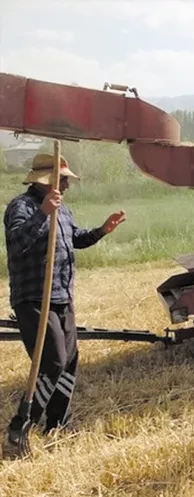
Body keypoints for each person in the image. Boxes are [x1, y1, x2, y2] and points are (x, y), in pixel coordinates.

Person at [5, 153, 126, 445]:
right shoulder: (21, 207)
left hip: (61, 295)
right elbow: (17, 243)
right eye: (64, 180)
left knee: (69, 361)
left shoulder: (63, 210)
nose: (68, 184)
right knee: (53, 362)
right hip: (34, 298)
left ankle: (57, 424)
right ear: (47, 182)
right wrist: (43, 213)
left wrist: (101, 231)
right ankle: (21, 425)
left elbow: (76, 239)